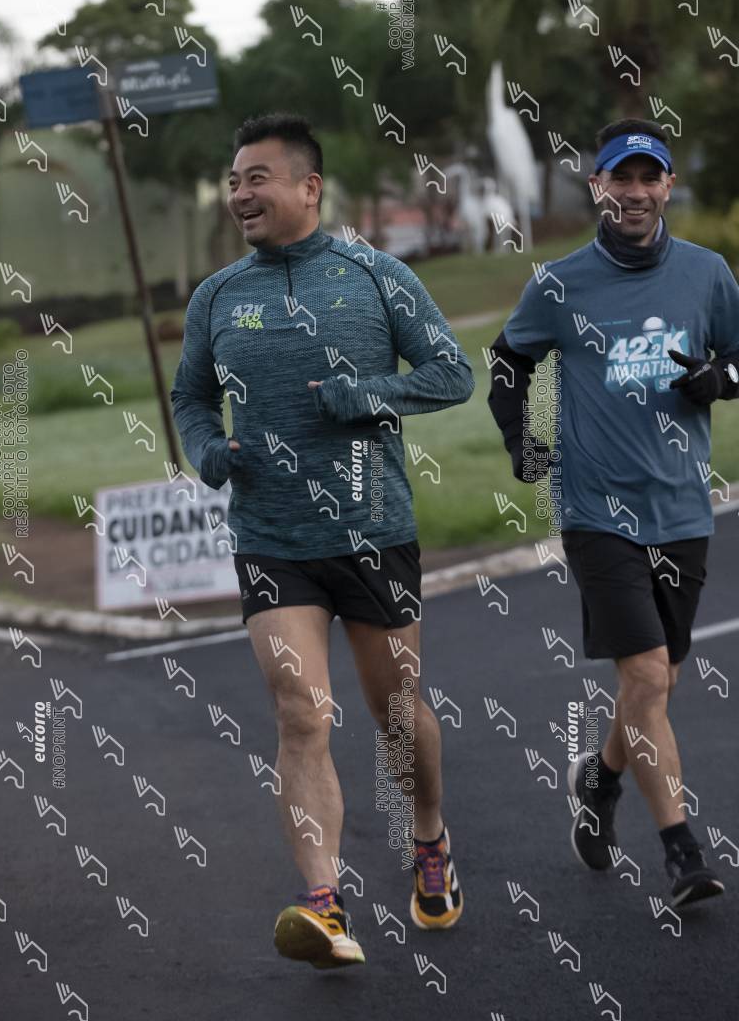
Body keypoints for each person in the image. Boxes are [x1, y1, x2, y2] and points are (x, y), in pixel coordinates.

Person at [171, 113, 473, 968]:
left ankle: (428, 835)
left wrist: (366, 394)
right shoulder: (217, 296)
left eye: (256, 179)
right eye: (234, 181)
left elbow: (452, 372)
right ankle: (324, 907)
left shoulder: (378, 276)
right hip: (271, 537)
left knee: (396, 715)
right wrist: (207, 451)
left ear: (309, 187)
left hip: (372, 531)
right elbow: (191, 396)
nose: (240, 194)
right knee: (302, 712)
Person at [487, 117, 739, 909]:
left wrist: (720, 380)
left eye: (647, 178)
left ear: (668, 186)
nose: (633, 192)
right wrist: (520, 441)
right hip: (598, 512)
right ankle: (682, 854)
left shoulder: (706, 274)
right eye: (619, 178)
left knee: (657, 683)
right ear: (597, 185)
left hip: (682, 508)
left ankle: (599, 779)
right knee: (646, 675)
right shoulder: (560, 284)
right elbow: (508, 360)